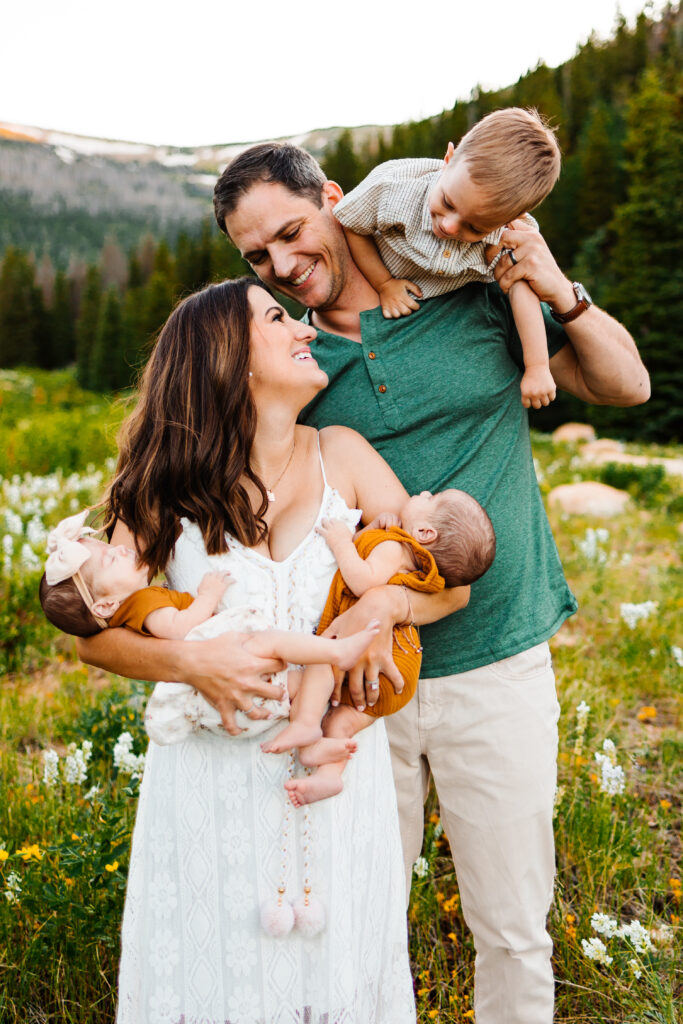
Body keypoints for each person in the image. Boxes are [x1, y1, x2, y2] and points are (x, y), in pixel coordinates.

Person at [211, 139, 650, 1024]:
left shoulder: (467, 295)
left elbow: (624, 383)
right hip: (357, 684)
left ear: (337, 198)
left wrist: (559, 287)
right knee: (363, 920)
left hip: (499, 659)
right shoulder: (283, 360)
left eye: (295, 232)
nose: (285, 266)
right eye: (257, 256)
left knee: (513, 928)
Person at [79, 275, 467, 1023]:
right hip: (209, 783)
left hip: (338, 781)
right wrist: (191, 662)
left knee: (340, 979)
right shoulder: (162, 483)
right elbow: (96, 642)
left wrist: (386, 604)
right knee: (212, 981)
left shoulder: (343, 456)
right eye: (277, 318)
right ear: (230, 356)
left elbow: (447, 586)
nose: (304, 328)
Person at [39, 511, 380, 752]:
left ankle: (313, 739)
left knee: (304, 685)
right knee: (278, 645)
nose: (121, 548)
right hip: (232, 664)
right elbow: (178, 628)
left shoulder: (135, 606)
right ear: (104, 607)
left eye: (110, 546)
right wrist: (208, 597)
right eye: (111, 559)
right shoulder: (141, 606)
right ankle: (337, 654)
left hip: (231, 689)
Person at [263, 488, 496, 808]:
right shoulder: (409, 555)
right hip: (398, 676)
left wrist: (341, 541)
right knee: (341, 721)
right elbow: (377, 557)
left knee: (322, 657)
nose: (424, 491)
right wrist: (379, 526)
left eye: (432, 498)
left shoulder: (394, 548)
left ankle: (304, 723)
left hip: (380, 658)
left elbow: (363, 581)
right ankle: (329, 772)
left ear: (425, 533)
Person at [335, 107, 561, 409]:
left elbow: (522, 289)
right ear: (448, 160)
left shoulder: (505, 234)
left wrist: (537, 367)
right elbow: (352, 225)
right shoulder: (392, 190)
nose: (450, 226)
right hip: (379, 286)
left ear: (510, 219)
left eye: (474, 227)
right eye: (447, 202)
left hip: (444, 309)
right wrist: (385, 283)